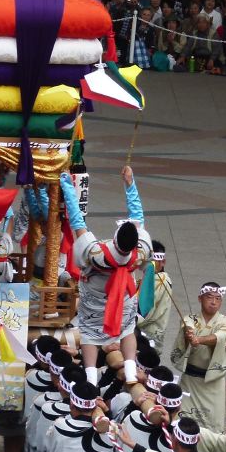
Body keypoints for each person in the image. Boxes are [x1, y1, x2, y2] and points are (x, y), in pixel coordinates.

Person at [60, 165, 150, 387]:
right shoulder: (140, 252)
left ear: (116, 237)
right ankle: (130, 369)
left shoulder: (96, 252)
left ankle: (90, 376)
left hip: (95, 302)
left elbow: (77, 222)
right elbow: (138, 216)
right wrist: (130, 184)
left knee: (90, 336)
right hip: (124, 301)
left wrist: (67, 188)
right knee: (127, 330)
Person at [170, 282, 226, 433]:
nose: (214, 302)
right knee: (183, 418)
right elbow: (188, 327)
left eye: (218, 298)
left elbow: (219, 337)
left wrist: (199, 340)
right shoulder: (190, 319)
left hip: (213, 382)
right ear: (200, 298)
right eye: (209, 297)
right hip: (190, 381)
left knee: (212, 424)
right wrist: (189, 335)